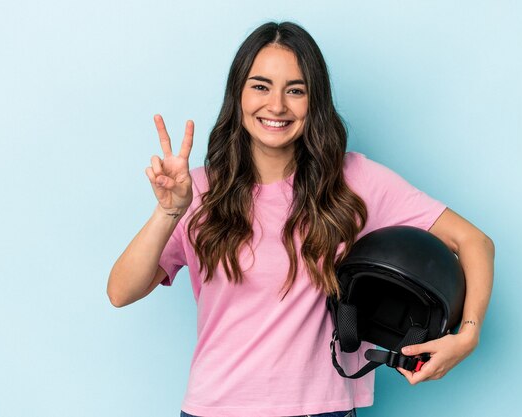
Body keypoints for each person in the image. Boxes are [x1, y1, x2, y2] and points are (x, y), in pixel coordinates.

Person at [107, 21, 494, 417]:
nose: (276, 105)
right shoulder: (198, 191)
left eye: (295, 90)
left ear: (315, 101)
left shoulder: (354, 180)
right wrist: (169, 211)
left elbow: (474, 242)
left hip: (322, 410)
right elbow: (121, 291)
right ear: (237, 95)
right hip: (215, 407)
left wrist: (468, 335)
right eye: (260, 86)